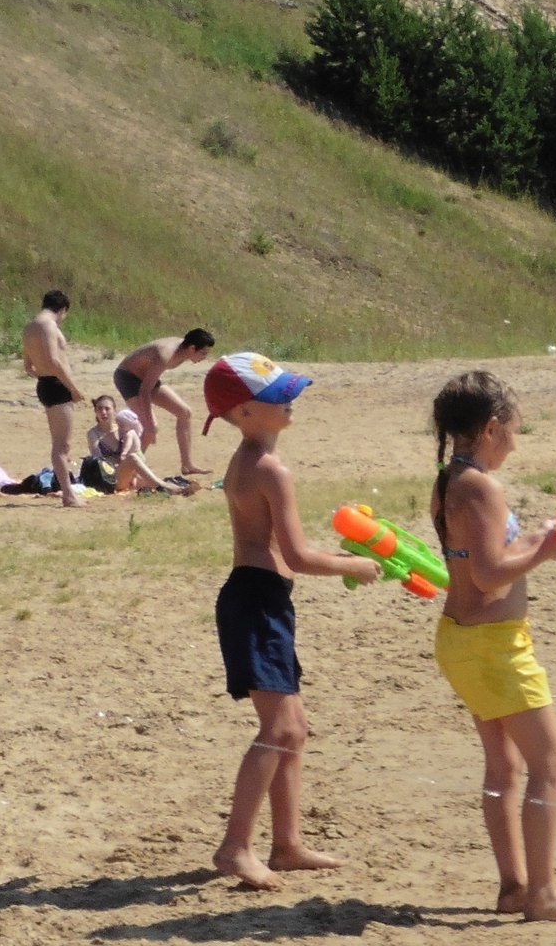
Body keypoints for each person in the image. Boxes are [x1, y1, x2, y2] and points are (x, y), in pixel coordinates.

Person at [205, 351, 381, 890]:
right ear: (243, 412)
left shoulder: (246, 460)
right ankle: (236, 846)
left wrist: (337, 554)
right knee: (278, 729)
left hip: (260, 598)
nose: (290, 400)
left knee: (295, 730)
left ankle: (287, 844)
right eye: (278, 395)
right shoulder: (269, 467)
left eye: (289, 389)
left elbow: (284, 545)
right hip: (257, 601)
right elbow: (299, 558)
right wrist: (356, 564)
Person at [429, 371, 556, 925]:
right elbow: (490, 575)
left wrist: (533, 540)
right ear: (491, 428)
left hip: (470, 639)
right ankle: (541, 893)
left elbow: (480, 555)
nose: (516, 444)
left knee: (504, 766)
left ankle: (514, 887)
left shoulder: (451, 478)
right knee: (551, 764)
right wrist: (546, 549)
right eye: (513, 432)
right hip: (490, 646)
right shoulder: (480, 485)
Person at [111, 329, 217, 478]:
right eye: (203, 353)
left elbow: (148, 383)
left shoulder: (184, 348)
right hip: (127, 378)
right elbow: (144, 392)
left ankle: (187, 465)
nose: (205, 357)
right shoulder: (165, 354)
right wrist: (147, 422)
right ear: (192, 348)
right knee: (151, 428)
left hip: (146, 378)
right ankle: (126, 470)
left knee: (184, 412)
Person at [19, 290, 88, 511]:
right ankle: (68, 495)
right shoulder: (49, 326)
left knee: (60, 444)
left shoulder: (30, 327)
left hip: (45, 384)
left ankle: (67, 492)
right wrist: (73, 388)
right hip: (57, 385)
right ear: (63, 309)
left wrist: (46, 378)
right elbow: (54, 360)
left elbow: (29, 367)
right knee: (62, 446)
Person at [85, 394, 190, 497]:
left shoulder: (123, 430)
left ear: (114, 410)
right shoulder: (93, 434)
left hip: (126, 475)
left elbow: (136, 448)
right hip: (108, 479)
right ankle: (163, 487)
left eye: (107, 409)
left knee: (143, 475)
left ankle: (173, 487)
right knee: (133, 459)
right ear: (95, 412)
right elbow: (98, 461)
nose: (103, 412)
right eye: (99, 409)